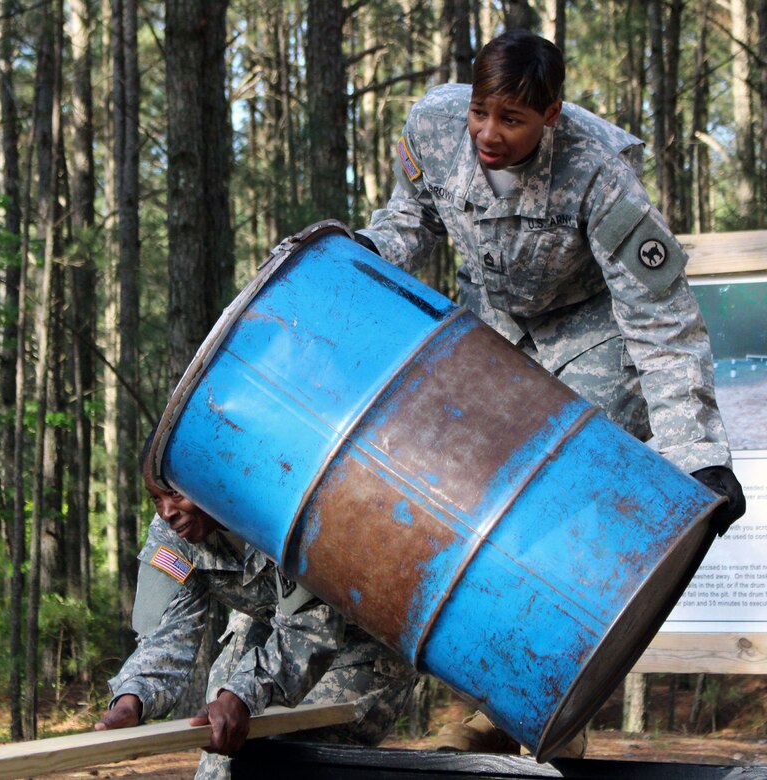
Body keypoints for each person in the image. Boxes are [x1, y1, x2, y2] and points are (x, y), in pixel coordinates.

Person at [355, 28, 746, 757]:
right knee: (470, 511)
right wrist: (360, 258)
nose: (488, 135)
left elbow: (660, 318)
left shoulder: (601, 173)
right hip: (492, 324)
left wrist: (698, 453)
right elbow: (409, 226)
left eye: (512, 121)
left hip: (591, 332)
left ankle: (547, 713)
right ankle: (484, 701)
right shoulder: (434, 127)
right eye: (481, 112)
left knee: (564, 520)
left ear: (552, 115)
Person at [95, 442, 417, 778]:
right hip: (266, 638)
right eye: (155, 499)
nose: (166, 512)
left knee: (293, 757)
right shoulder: (171, 536)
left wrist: (244, 693)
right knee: (221, 755)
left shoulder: (282, 509)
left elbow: (310, 626)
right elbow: (166, 633)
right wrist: (132, 699)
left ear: (207, 480)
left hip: (361, 646)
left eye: (175, 495)